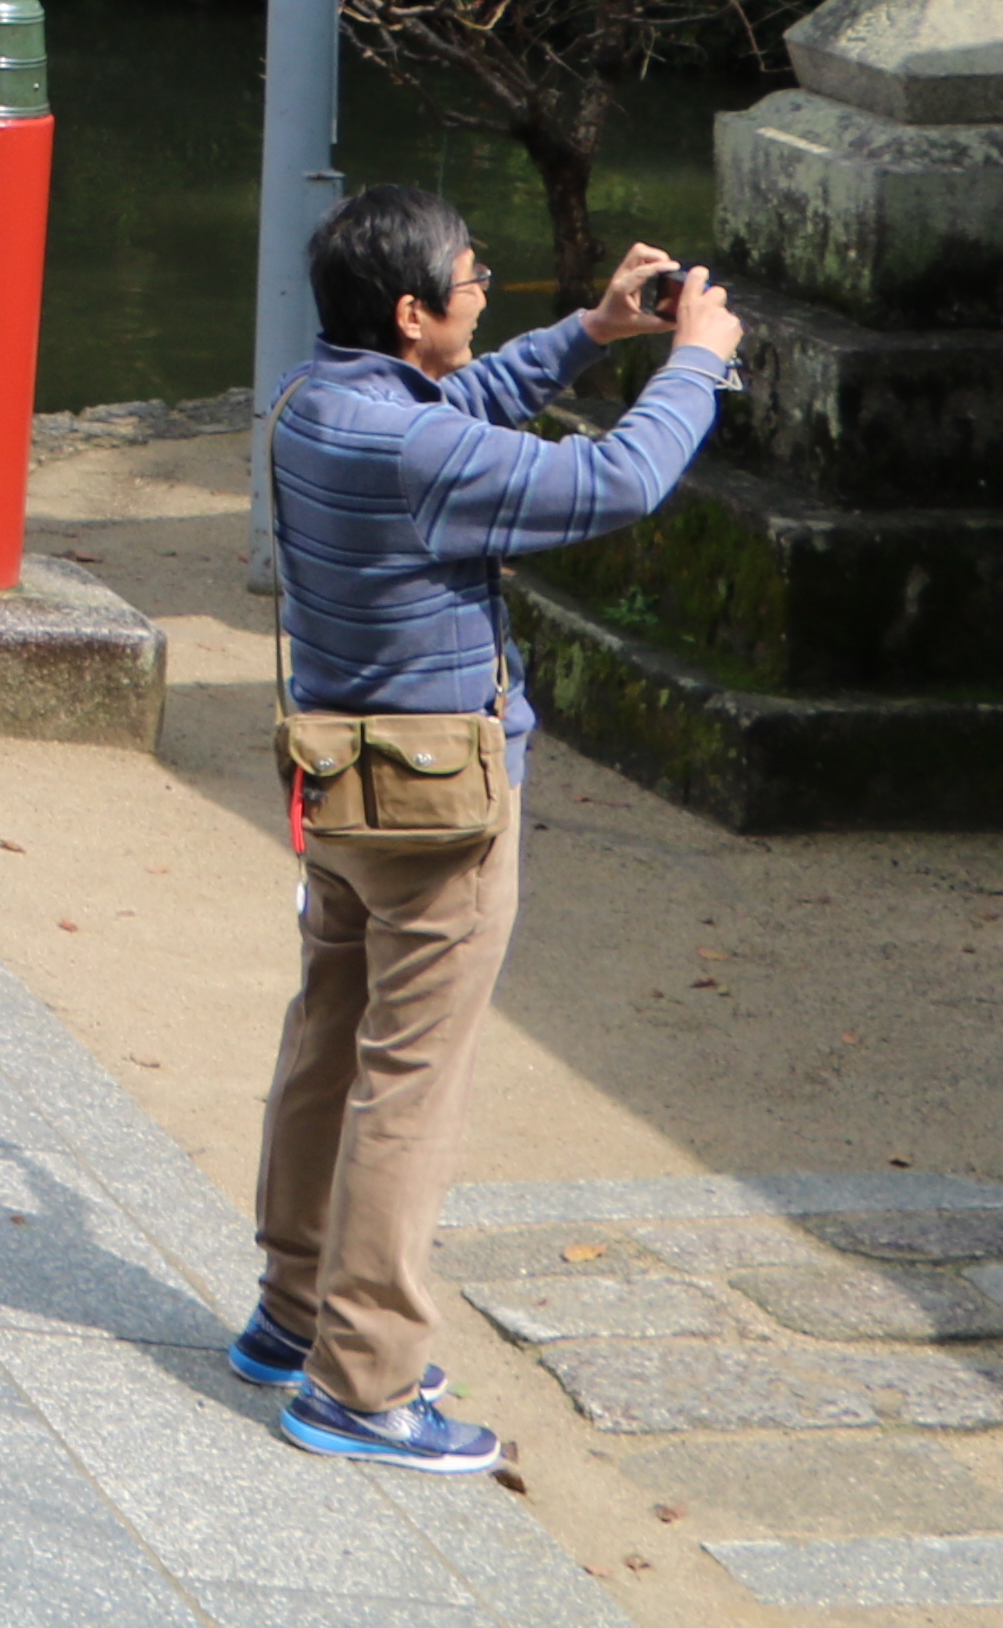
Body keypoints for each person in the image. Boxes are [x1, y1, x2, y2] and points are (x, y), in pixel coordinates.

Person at [244, 187, 744, 1472]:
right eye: (472, 279)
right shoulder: (414, 452)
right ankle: (360, 1384)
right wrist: (697, 362)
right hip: (442, 811)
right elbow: (617, 478)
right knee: (408, 1081)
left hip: (342, 784)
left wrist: (588, 332)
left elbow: (455, 409)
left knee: (326, 1038)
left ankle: (291, 1312)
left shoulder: (317, 405)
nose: (485, 287)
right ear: (413, 314)